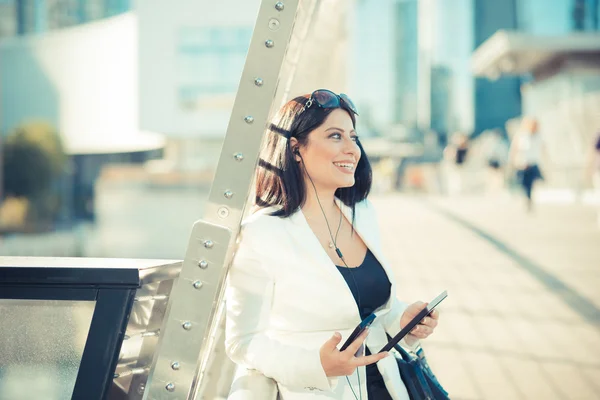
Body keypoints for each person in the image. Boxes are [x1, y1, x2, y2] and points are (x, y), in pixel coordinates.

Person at [225, 89, 440, 400]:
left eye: (353, 137)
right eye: (336, 136)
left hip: (390, 388)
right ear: (296, 148)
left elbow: (372, 311)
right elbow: (242, 341)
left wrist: (403, 319)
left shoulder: (361, 214)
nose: (352, 149)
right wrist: (315, 365)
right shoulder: (263, 232)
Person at [508, 117, 546, 212]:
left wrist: (546, 161)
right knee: (525, 184)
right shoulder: (521, 136)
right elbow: (514, 149)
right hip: (523, 164)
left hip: (534, 163)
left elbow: (543, 149)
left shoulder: (539, 136)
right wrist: (512, 162)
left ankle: (529, 198)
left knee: (534, 182)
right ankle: (528, 199)